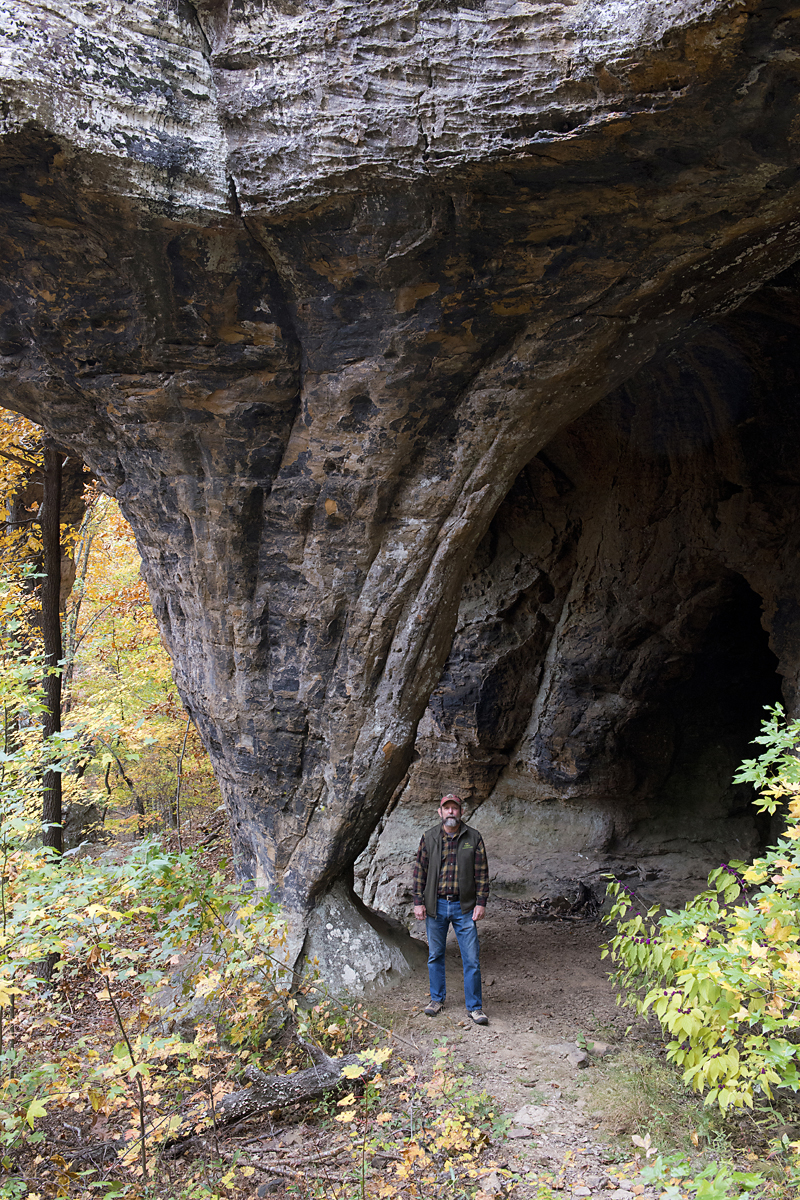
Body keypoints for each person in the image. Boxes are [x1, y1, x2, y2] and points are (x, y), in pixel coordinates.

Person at [412, 793, 490, 1025]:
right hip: (436, 906)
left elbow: (482, 874)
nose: (451, 812)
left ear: (461, 812)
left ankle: (475, 1008)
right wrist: (418, 901)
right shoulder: (429, 837)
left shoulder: (473, 837)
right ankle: (436, 999)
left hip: (464, 907)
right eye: (447, 808)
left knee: (472, 959)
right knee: (435, 955)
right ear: (440, 812)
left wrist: (481, 902)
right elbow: (419, 872)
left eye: (454, 808)